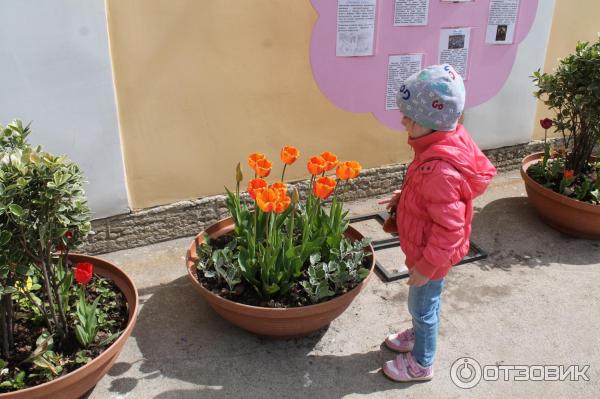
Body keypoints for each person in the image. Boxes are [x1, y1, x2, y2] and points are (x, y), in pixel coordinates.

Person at [379, 64, 497, 382]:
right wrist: (405, 195)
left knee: (423, 308)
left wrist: (427, 266)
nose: (403, 120)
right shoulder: (435, 144)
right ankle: (418, 335)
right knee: (423, 304)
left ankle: (422, 363)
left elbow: (451, 227)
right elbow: (428, 191)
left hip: (431, 255)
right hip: (424, 246)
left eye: (411, 117)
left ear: (434, 122)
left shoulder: (441, 171)